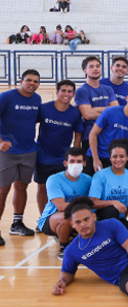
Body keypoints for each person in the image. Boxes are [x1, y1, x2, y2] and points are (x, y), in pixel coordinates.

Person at [0, 70, 42, 242]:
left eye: (36, 81)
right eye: (29, 80)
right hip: (7, 152)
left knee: (21, 187)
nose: (32, 83)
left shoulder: (37, 99)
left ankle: (17, 224)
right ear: (20, 81)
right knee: (3, 190)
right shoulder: (7, 97)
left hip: (28, 150)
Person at [35, 80, 83, 218]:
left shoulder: (75, 113)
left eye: (69, 91)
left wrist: (74, 156)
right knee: (42, 188)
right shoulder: (44, 108)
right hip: (43, 157)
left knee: (62, 190)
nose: (66, 94)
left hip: (62, 159)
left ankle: (60, 217)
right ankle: (43, 218)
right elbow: (27, 122)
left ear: (73, 94)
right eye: (63, 90)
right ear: (57, 92)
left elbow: (78, 135)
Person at [38, 147, 92, 259]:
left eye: (79, 161)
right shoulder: (54, 179)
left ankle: (72, 236)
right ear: (65, 163)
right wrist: (84, 208)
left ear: (84, 163)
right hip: (52, 219)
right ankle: (64, 247)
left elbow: (93, 202)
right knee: (65, 217)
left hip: (78, 217)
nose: (75, 164)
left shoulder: (88, 180)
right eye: (72, 161)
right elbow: (61, 206)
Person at [89, 139, 128, 238]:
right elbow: (92, 203)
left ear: (127, 157)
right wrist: (113, 202)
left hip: (119, 220)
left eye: (122, 156)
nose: (118, 159)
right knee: (111, 210)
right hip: (100, 219)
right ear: (110, 157)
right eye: (114, 156)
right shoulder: (100, 175)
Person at [87, 87, 128, 174]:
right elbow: (93, 134)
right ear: (127, 98)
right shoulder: (110, 112)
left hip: (119, 160)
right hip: (98, 156)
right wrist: (95, 159)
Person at [76, 57, 119, 159]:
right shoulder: (82, 91)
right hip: (89, 137)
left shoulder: (108, 89)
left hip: (108, 137)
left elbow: (116, 111)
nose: (95, 69)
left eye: (98, 66)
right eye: (91, 66)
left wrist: (94, 110)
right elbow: (88, 115)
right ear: (85, 70)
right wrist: (108, 111)